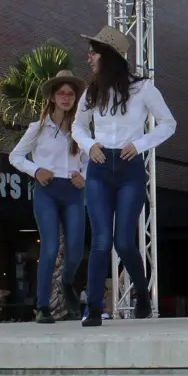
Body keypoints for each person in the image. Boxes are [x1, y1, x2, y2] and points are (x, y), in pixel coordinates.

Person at [72, 26, 177, 327]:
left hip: (130, 167)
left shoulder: (143, 88)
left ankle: (142, 294)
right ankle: (93, 308)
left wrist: (141, 144)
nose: (88, 57)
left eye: (93, 53)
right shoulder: (91, 91)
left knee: (124, 242)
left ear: (109, 56)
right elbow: (78, 126)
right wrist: (90, 145)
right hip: (100, 167)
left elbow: (169, 123)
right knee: (101, 240)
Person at [10, 69, 88, 324]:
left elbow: (90, 159)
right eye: (61, 93)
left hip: (73, 192)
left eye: (70, 94)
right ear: (53, 97)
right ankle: (42, 305)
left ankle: (66, 282)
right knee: (51, 246)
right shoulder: (38, 128)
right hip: (48, 190)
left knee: (76, 248)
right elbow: (15, 156)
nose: (66, 97)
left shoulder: (81, 130)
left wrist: (83, 175)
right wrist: (36, 170)